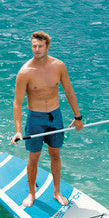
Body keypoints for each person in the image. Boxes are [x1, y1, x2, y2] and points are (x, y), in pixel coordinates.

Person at [11, 31, 84, 207]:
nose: (37, 50)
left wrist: (78, 117)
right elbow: (17, 103)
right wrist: (18, 131)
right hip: (35, 118)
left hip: (55, 116)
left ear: (47, 46)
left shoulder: (58, 66)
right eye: (34, 46)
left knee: (55, 155)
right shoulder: (25, 72)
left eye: (40, 46)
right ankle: (31, 193)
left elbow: (68, 92)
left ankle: (57, 192)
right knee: (34, 157)